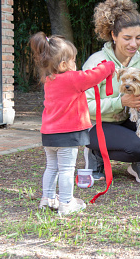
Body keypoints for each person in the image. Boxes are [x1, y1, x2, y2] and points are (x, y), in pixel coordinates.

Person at [82, 0, 140, 184]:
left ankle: (137, 164)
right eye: (127, 38)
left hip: (128, 119)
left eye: (138, 38)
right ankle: (96, 155)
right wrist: (120, 102)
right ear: (113, 35)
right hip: (98, 125)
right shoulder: (97, 62)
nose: (134, 44)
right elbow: (82, 106)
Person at [29, 32, 115, 215]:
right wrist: (108, 66)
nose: (76, 65)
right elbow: (93, 76)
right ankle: (67, 203)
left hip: (49, 135)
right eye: (73, 61)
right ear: (63, 65)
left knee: (52, 167)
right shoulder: (72, 79)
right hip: (67, 135)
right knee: (67, 169)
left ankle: (48, 198)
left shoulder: (49, 81)